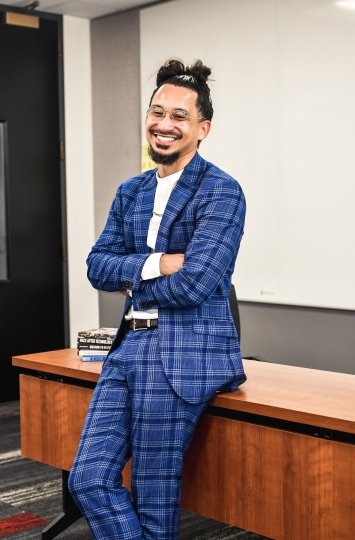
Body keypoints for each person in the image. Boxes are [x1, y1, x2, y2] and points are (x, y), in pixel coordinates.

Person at [68, 58, 247, 540]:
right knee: (88, 479)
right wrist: (159, 263)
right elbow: (95, 265)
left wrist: (131, 278)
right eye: (157, 112)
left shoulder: (222, 191)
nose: (164, 125)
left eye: (180, 117)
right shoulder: (131, 191)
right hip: (129, 348)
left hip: (180, 356)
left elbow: (195, 284)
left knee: (153, 503)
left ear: (202, 128)